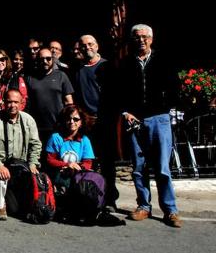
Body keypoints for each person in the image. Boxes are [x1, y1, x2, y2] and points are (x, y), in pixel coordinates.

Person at [119, 24, 182, 228]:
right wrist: (125, 112)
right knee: (138, 168)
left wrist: (168, 109)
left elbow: (175, 88)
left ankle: (170, 210)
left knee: (162, 167)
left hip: (159, 118)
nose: (141, 40)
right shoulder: (126, 64)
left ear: (151, 39)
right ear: (132, 40)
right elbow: (117, 92)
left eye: (145, 37)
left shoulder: (163, 60)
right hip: (135, 120)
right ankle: (144, 206)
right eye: (137, 37)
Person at [0, 89, 42, 220]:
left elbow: (36, 144)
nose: (12, 105)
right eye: (9, 102)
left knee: (16, 208)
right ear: (3, 102)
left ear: (22, 103)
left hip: (19, 164)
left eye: (16, 102)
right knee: (0, 177)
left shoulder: (28, 120)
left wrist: (33, 163)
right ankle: (0, 207)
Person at [75, 34, 119, 208]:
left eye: (90, 44)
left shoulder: (107, 67)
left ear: (97, 45)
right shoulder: (77, 69)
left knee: (107, 162)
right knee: (88, 161)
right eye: (84, 45)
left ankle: (110, 199)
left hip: (104, 120)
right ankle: (90, 197)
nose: (87, 47)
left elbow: (114, 95)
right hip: (86, 123)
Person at [26, 48, 74, 145]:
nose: (45, 61)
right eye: (41, 59)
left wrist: (68, 123)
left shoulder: (61, 76)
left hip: (58, 127)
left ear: (52, 59)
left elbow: (69, 102)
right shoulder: (30, 78)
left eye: (48, 58)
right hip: (36, 127)